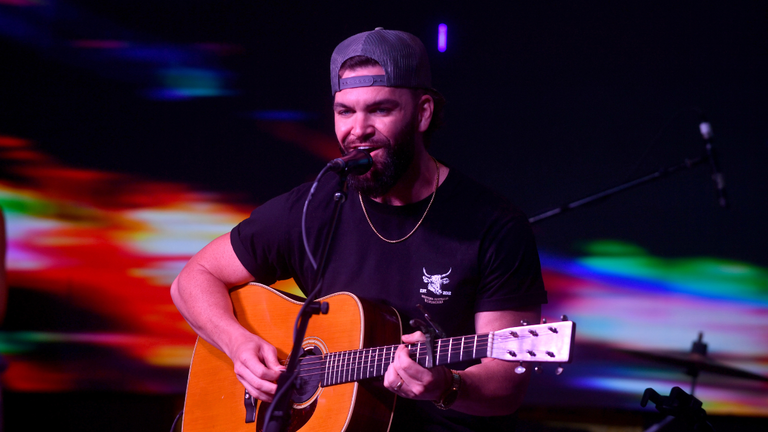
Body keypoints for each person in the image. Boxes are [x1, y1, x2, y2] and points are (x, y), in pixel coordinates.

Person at [171, 28, 547, 431]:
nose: (358, 130)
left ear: (423, 113)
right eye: (345, 111)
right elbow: (193, 279)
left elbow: (506, 385)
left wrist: (446, 385)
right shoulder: (315, 207)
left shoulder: (495, 225)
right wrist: (238, 343)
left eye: (380, 110)